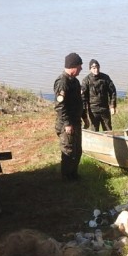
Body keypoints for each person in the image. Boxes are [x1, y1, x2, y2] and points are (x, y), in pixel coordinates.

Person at [54, 52, 86, 180]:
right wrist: (67, 124)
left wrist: (84, 116)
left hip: (76, 121)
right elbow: (60, 105)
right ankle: (67, 177)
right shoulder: (62, 82)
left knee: (77, 150)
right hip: (66, 124)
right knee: (68, 150)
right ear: (73, 66)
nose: (81, 69)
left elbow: (79, 102)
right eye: (79, 66)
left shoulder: (75, 82)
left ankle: (74, 174)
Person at [81, 59, 117, 131]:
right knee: (94, 131)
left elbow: (112, 92)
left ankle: (109, 142)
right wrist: (84, 112)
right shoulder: (86, 80)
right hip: (93, 110)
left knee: (108, 130)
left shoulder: (105, 78)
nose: (96, 69)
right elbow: (83, 97)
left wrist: (112, 106)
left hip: (105, 109)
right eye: (94, 68)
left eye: (97, 67)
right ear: (90, 69)